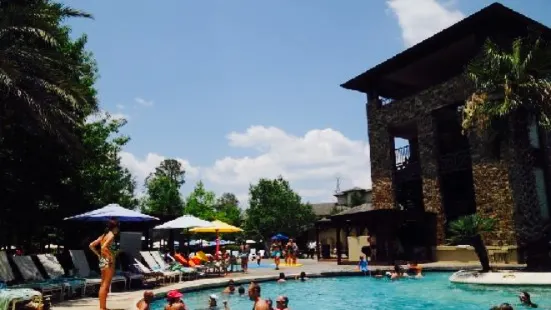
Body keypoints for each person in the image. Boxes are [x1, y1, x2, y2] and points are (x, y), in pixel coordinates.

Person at [89, 218, 120, 310]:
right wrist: (110, 257)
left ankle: (103, 307)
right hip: (108, 261)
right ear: (115, 227)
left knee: (103, 284)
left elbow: (91, 245)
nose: (118, 230)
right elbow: (104, 246)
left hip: (103, 260)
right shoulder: (111, 235)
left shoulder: (103, 235)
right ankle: (103, 308)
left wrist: (99, 255)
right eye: (118, 227)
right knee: (106, 284)